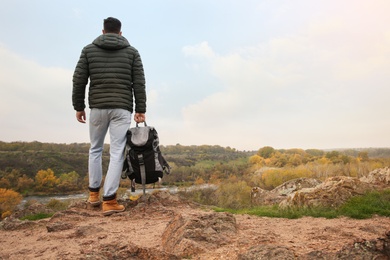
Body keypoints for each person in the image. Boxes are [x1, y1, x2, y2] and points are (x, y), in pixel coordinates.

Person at [72, 17, 146, 216]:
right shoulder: (132, 52)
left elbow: (79, 80)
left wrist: (79, 107)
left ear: (103, 32)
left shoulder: (88, 50)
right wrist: (141, 109)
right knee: (116, 152)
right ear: (120, 33)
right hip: (121, 108)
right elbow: (138, 83)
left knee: (94, 149)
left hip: (97, 107)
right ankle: (110, 201)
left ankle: (94, 195)